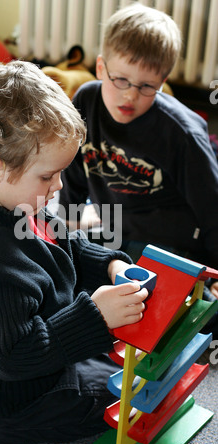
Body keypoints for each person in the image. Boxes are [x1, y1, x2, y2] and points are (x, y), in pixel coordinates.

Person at [0, 60, 148, 444]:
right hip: (20, 396)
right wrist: (94, 316)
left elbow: (67, 244)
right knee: (123, 397)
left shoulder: (17, 203)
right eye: (47, 176)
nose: (58, 186)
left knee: (117, 359)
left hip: (38, 348)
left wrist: (109, 263)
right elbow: (15, 357)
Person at [58, 3, 218, 327]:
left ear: (163, 80)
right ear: (101, 67)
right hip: (117, 226)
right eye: (120, 80)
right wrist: (64, 227)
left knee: (171, 321)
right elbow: (72, 171)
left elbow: (213, 208)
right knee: (63, 273)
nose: (129, 96)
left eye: (146, 86)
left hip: (172, 242)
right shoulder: (86, 101)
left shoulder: (182, 133)